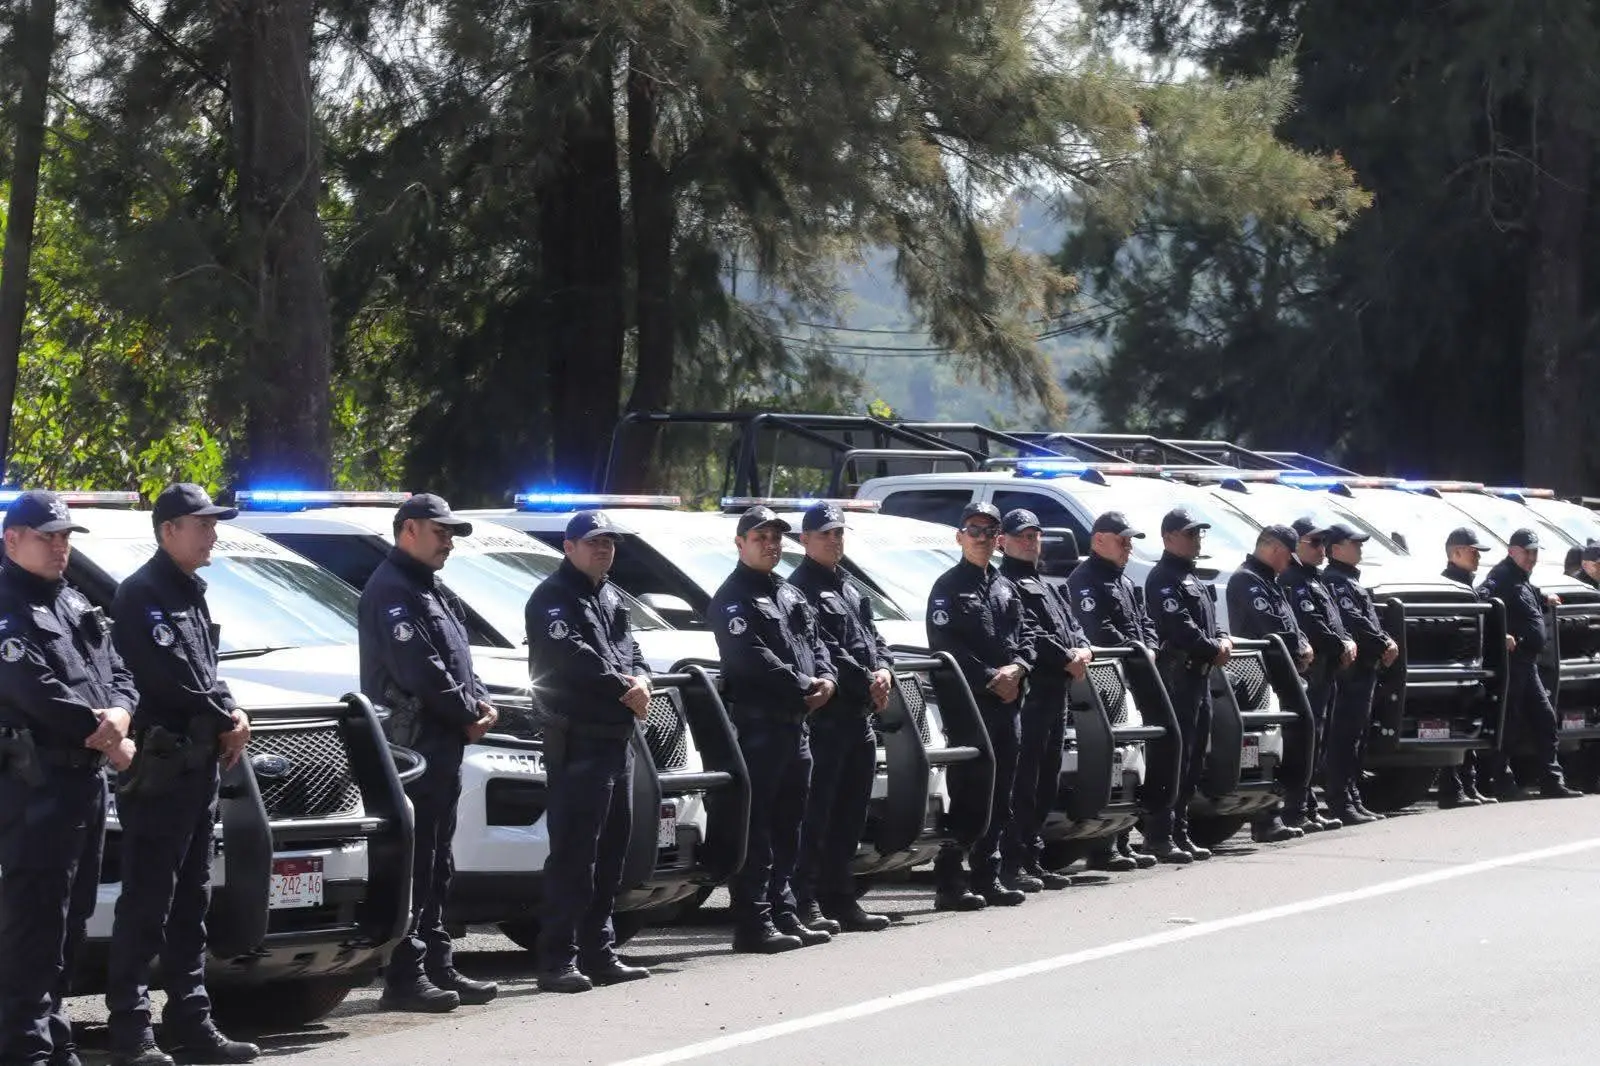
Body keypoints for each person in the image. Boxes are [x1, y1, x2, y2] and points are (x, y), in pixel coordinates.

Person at [106, 485, 257, 1066]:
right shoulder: (142, 595)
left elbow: (207, 673)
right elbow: (168, 680)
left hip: (198, 773)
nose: (213, 533)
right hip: (164, 772)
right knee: (148, 902)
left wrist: (233, 710)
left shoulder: (189, 593)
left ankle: (192, 1022)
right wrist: (227, 716)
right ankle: (130, 1031)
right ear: (169, 529)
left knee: (192, 902)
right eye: (203, 524)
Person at [0, 490, 137, 1066]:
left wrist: (123, 715)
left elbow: (121, 673)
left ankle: (54, 1036)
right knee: (35, 919)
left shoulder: (75, 602)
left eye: (65, 537)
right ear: (11, 540)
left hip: (85, 785)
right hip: (37, 788)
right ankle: (23, 1045)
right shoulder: (6, 607)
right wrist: (109, 733)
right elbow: (34, 693)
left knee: (74, 919)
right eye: (47, 536)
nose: (60, 546)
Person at [360, 494, 500, 1012]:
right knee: (418, 862)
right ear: (409, 531)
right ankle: (405, 975)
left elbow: (460, 657)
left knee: (439, 859)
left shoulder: (431, 589)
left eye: (451, 535)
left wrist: (479, 700)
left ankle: (437, 962)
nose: (448, 543)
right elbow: (419, 669)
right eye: (440, 532)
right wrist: (468, 712)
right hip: (416, 743)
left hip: (443, 739)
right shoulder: (393, 590)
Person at [525, 510, 654, 993]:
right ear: (569, 547)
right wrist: (627, 687)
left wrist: (642, 677)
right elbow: (574, 659)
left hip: (616, 741)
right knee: (574, 857)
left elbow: (632, 651)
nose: (604, 550)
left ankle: (599, 951)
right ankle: (557, 959)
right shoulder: (552, 598)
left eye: (610, 543)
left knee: (611, 853)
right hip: (578, 741)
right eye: (594, 542)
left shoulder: (610, 594)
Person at [710, 506, 837, 953]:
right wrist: (806, 685)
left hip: (796, 727)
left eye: (775, 536)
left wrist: (828, 679)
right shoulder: (732, 597)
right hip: (759, 727)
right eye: (760, 536)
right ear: (740, 543)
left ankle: (785, 912)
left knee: (790, 826)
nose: (770, 543)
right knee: (758, 828)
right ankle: (754, 922)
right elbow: (751, 658)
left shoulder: (788, 593)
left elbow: (816, 644)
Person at [787, 502, 894, 933]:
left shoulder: (849, 586)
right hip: (828, 718)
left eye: (839, 533)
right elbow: (826, 649)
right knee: (819, 814)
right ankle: (806, 899)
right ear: (805, 540)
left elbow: (874, 638)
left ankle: (840, 896)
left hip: (859, 716)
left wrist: (885, 669)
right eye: (825, 533)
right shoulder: (800, 589)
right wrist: (868, 678)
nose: (834, 540)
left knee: (851, 813)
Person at [926, 502, 1037, 910]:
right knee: (971, 792)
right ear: (959, 536)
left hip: (1008, 704)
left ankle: (987, 876)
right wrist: (993, 677)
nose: (983, 538)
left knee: (1001, 793)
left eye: (991, 532)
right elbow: (947, 646)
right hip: (970, 706)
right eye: (974, 530)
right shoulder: (948, 587)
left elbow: (1026, 636)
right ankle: (951, 883)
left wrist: (1019, 668)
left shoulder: (1005, 585)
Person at [997, 508, 1092, 888]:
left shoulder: (1048, 585)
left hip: (1057, 694)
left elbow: (1073, 627)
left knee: (1045, 780)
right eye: (1021, 535)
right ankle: (1012, 861)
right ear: (1003, 541)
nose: (1030, 541)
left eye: (1034, 535)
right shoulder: (1007, 584)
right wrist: (1068, 657)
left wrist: (1083, 650)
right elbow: (1031, 634)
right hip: (1032, 695)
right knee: (1024, 780)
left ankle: (1031, 855)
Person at [1067, 511, 1160, 871]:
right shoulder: (1086, 580)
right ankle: (1102, 845)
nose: (1128, 547)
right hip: (1105, 682)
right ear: (1098, 541)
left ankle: (1121, 837)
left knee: (1131, 758)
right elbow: (1098, 630)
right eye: (1122, 540)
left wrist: (1147, 646)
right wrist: (1137, 647)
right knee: (1112, 759)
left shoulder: (1121, 580)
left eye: (1130, 541)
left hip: (1131, 679)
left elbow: (1146, 621)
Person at [1145, 508, 1233, 862]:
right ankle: (1159, 834)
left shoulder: (1191, 577)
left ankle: (1179, 830)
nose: (1197, 540)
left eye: (1199, 534)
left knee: (1194, 757)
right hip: (1178, 676)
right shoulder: (1164, 578)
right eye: (1189, 534)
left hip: (1200, 676)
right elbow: (1181, 628)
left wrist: (1223, 640)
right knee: (1173, 757)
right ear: (1168, 538)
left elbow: (1211, 622)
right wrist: (1214, 648)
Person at [1476, 530, 1581, 800]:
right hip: (1512, 662)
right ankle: (1500, 781)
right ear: (1512, 551)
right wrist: (1502, 633)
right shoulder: (1500, 576)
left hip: (1528, 662)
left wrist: (1545, 597)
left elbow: (1527, 595)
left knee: (1545, 718)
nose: (1532, 558)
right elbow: (1482, 601)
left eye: (1535, 552)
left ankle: (1552, 780)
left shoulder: (1521, 578)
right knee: (1507, 721)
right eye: (1527, 552)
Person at [1225, 524, 1312, 844]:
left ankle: (1282, 809)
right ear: (1275, 549)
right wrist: (1298, 647)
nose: (1289, 564)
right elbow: (1269, 626)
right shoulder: (1247, 579)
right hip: (1258, 673)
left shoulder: (1269, 580)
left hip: (1282, 669)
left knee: (1291, 740)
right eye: (1288, 556)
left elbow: (1290, 622)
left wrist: (1302, 644)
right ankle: (1267, 816)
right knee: (1269, 743)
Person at [1319, 523, 1400, 824]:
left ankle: (1352, 796)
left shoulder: (1349, 580)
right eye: (1354, 544)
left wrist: (1385, 640)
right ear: (1336, 549)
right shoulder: (1336, 581)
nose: (1360, 548)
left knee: (1357, 737)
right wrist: (1382, 643)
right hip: (1351, 671)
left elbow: (1370, 620)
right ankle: (1341, 800)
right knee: (1344, 737)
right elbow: (1353, 620)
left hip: (1367, 667)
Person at [1278, 517, 1353, 832]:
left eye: (1324, 542)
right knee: (1305, 740)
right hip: (1312, 668)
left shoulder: (1314, 578)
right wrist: (1341, 644)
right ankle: (1296, 808)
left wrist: (1346, 641)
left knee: (1318, 739)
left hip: (1327, 668)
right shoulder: (1294, 580)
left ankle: (1307, 806)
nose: (1322, 549)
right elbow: (1312, 626)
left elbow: (1332, 620)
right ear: (1296, 545)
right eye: (1315, 542)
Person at [1439, 527, 1497, 806]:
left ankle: (1469, 785)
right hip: (1456, 669)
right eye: (1473, 552)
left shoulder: (1469, 585)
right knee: (1455, 725)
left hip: (1471, 668)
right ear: (1456, 552)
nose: (1478, 558)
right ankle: (1453, 789)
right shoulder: (1446, 586)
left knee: (1469, 723)